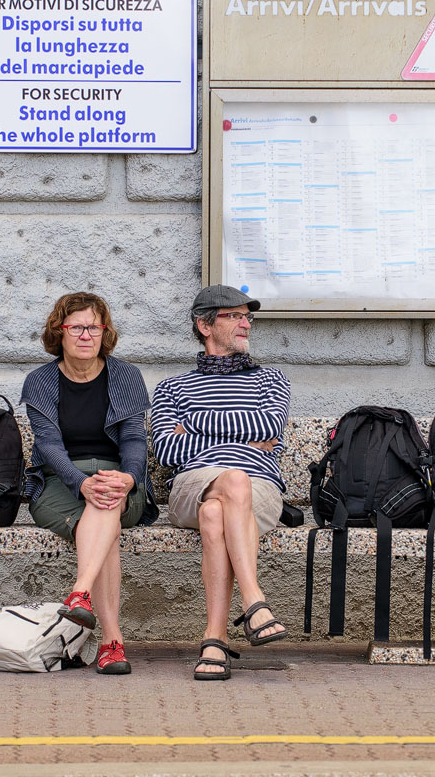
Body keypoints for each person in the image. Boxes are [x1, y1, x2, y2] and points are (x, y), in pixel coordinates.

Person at [150, 285, 292, 681]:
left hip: (259, 491)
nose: (246, 322)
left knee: (218, 510)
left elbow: (268, 426)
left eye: (248, 316)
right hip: (190, 487)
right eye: (234, 315)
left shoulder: (271, 380)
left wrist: (193, 425)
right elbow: (167, 450)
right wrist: (240, 438)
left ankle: (214, 639)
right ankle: (255, 602)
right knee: (232, 479)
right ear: (204, 325)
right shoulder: (172, 387)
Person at [20, 292, 154, 676]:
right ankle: (112, 642)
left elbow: (133, 439)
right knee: (103, 519)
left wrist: (128, 478)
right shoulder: (41, 381)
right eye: (75, 326)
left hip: (118, 481)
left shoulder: (125, 375)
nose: (85, 335)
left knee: (105, 503)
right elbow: (48, 446)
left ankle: (81, 594)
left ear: (104, 332)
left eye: (93, 327)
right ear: (58, 332)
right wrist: (81, 483)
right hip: (60, 484)